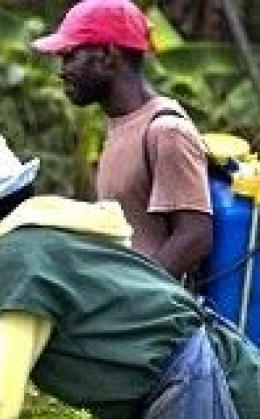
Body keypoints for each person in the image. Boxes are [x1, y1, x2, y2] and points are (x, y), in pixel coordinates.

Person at [0, 129, 260, 419]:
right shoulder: (44, 238)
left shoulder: (13, 257)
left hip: (205, 390)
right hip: (213, 376)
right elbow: (25, 394)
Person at [32, 0, 212, 280]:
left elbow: (194, 236)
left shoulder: (166, 130)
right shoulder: (121, 125)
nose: (63, 69)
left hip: (153, 317)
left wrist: (133, 299)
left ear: (107, 54)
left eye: (70, 55)